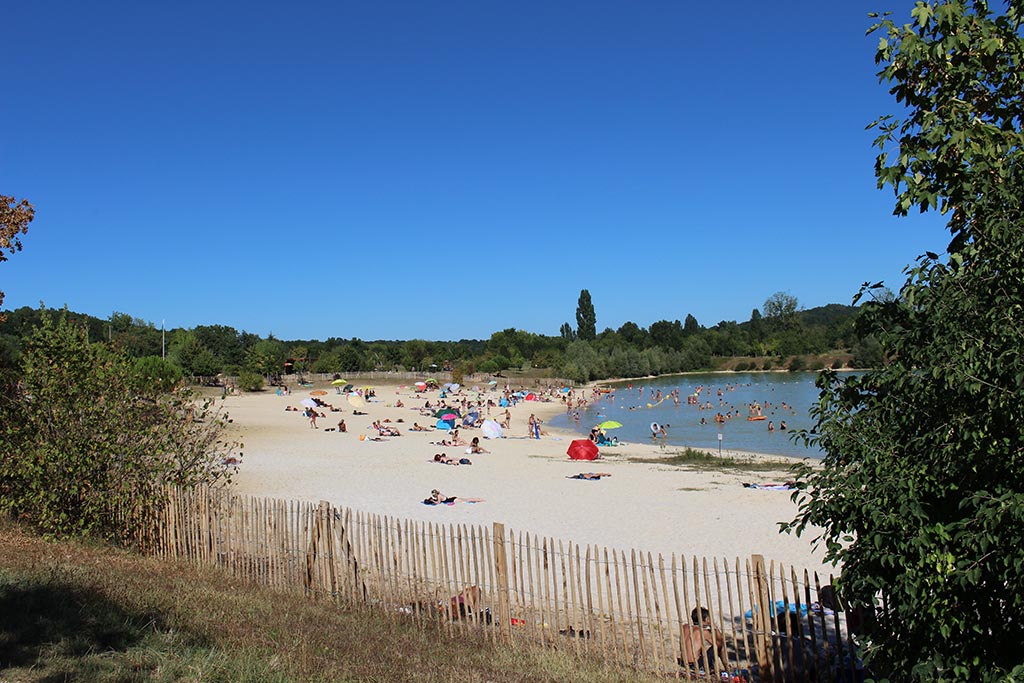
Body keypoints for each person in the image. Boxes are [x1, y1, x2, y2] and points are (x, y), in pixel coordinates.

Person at [678, 606, 726, 675]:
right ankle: (727, 668)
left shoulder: (684, 627)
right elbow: (719, 643)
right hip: (696, 665)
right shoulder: (703, 632)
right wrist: (715, 628)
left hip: (684, 662)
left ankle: (715, 667)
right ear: (707, 619)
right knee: (718, 647)